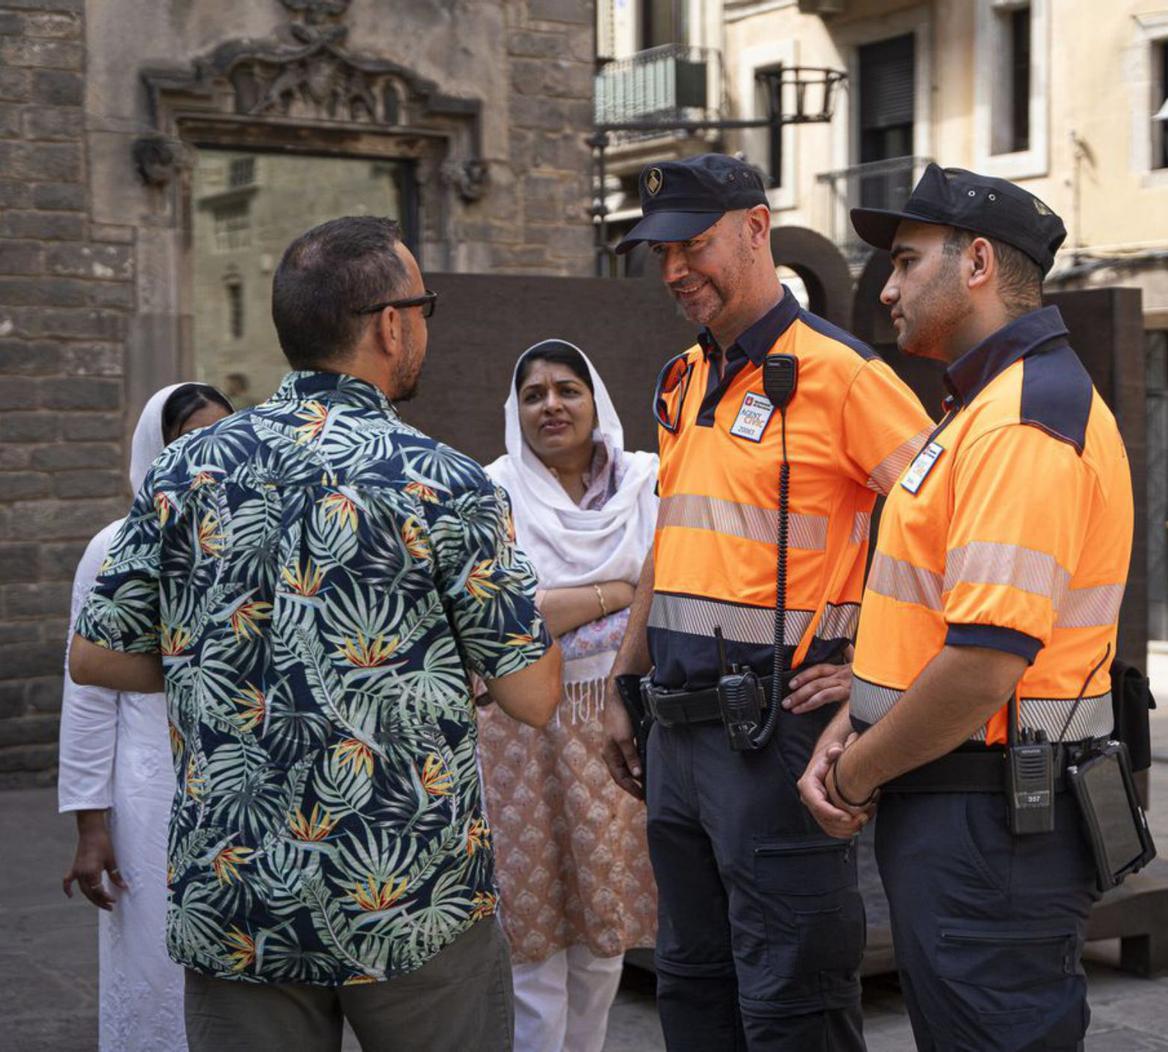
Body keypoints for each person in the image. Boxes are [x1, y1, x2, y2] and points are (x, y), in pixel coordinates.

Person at [69, 215, 563, 1052]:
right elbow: (535, 695)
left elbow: (96, 653)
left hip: (240, 896)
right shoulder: (444, 481)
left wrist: (223, 659)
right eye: (426, 310)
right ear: (391, 324)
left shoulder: (183, 472)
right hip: (411, 892)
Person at [601, 153, 933, 1051]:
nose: (674, 270)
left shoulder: (845, 375)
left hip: (776, 737)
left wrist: (873, 675)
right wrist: (624, 683)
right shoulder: (681, 380)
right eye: (660, 251)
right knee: (694, 992)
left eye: (693, 244)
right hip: (676, 737)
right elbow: (673, 542)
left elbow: (946, 535)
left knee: (793, 1006)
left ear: (757, 228)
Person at [799, 164, 1134, 1051]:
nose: (890, 287)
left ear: (977, 262)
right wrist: (853, 716)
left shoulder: (1023, 419)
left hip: (991, 826)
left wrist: (857, 769)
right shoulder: (985, 408)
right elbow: (929, 626)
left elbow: (986, 661)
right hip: (974, 814)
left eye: (907, 262)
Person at [479, 339, 658, 1052]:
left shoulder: (645, 486)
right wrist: (619, 591)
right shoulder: (492, 493)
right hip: (522, 732)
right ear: (515, 411)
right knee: (533, 940)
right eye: (533, 394)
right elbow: (508, 616)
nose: (551, 404)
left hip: (619, 727)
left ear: (596, 401)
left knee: (603, 936)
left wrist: (565, 603)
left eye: (567, 389)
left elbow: (667, 584)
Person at [59, 382, 233, 1052]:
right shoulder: (115, 546)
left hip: (234, 781)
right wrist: (90, 823)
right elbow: (89, 693)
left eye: (222, 436)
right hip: (149, 788)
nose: (207, 455)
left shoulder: (247, 540)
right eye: (191, 438)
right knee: (155, 961)